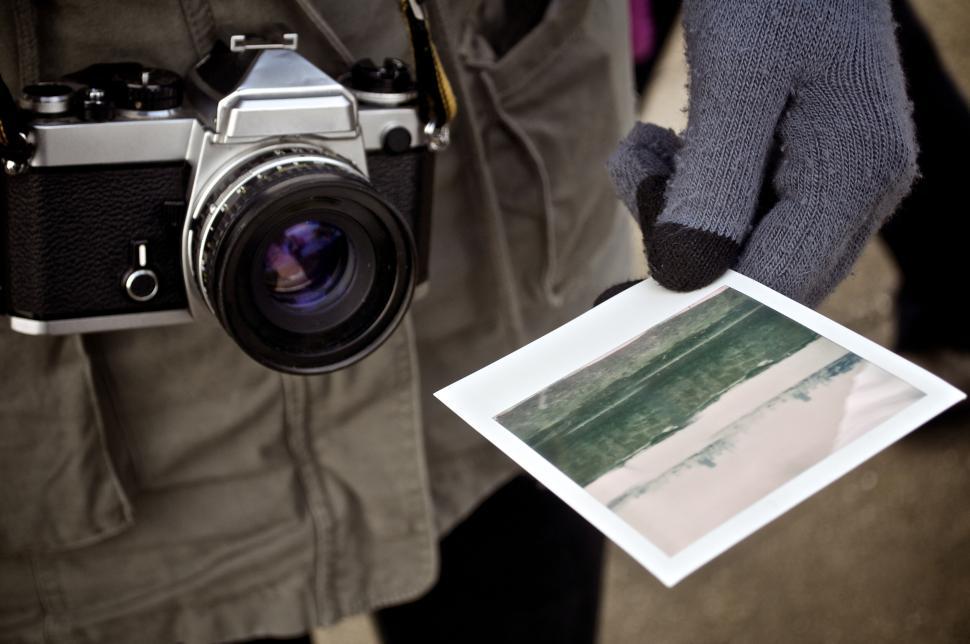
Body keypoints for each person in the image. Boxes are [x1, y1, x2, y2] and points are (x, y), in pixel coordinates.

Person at [0, 1, 916, 643]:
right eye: (295, 261)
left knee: (520, 584)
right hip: (94, 431)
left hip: (497, 169)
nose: (298, 263)